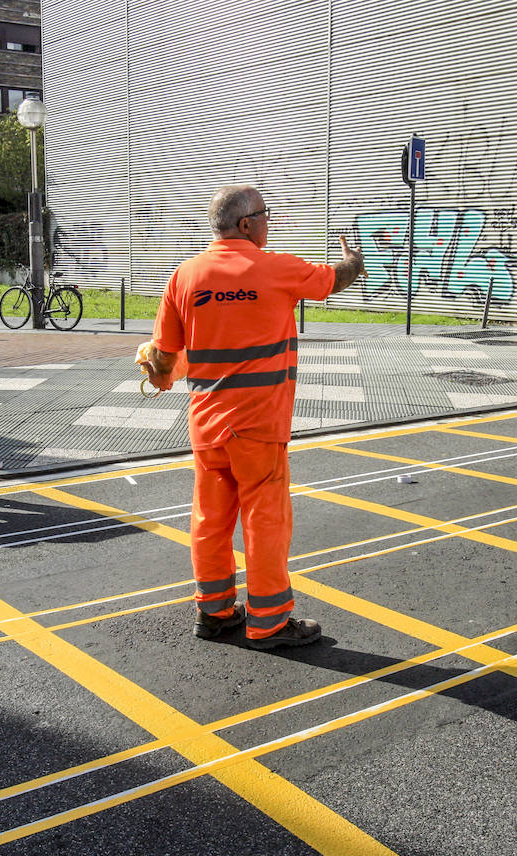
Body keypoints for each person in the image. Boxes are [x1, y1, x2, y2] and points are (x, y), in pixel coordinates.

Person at [137, 184, 364, 649]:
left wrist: (158, 375)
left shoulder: (185, 276)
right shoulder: (274, 268)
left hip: (206, 426)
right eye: (265, 214)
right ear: (246, 224)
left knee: (210, 520)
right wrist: (354, 260)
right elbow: (334, 279)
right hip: (258, 427)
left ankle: (215, 612)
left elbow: (164, 358)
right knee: (265, 522)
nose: (268, 222)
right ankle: (270, 622)